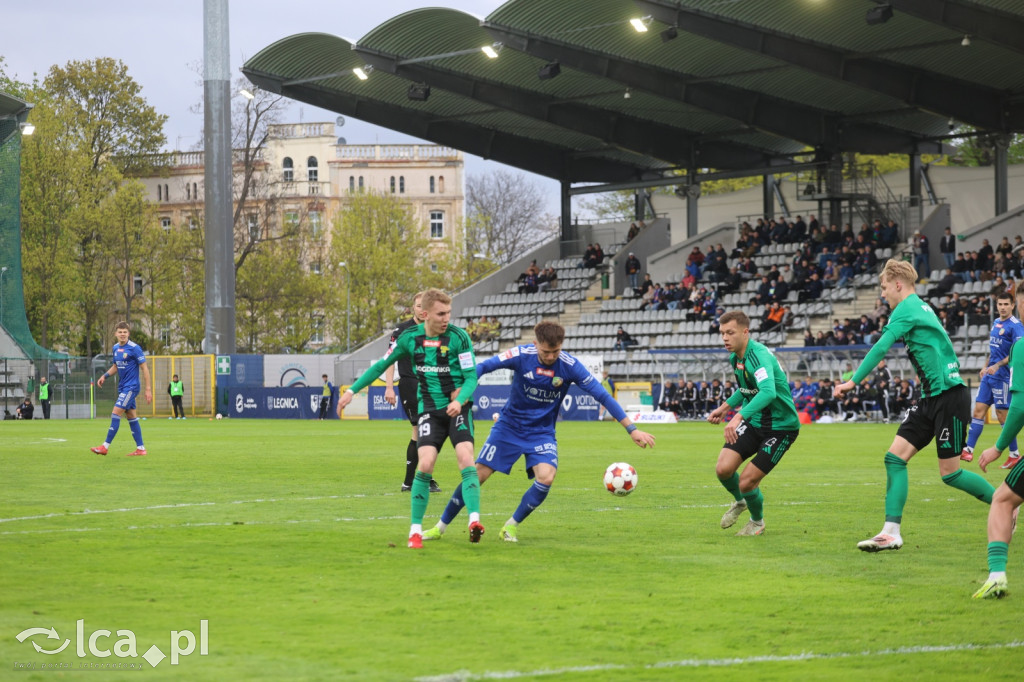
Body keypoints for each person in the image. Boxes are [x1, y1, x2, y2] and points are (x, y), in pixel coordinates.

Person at [421, 322, 655, 543]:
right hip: (508, 427)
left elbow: (602, 395)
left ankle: (510, 526)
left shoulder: (570, 365)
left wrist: (631, 429)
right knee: (478, 475)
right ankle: (440, 527)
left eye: (555, 351)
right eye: (546, 352)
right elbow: (483, 366)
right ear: (535, 344)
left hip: (541, 433)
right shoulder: (521, 355)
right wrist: (463, 390)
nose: (551, 357)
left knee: (546, 476)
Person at [833, 260, 994, 552]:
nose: (883, 294)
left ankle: (1004, 503)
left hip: (949, 397)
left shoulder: (905, 309)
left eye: (884, 287)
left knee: (951, 474)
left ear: (898, 284)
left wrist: (852, 381)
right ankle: (891, 533)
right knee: (894, 458)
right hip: (931, 397)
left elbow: (881, 347)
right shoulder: (921, 307)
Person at [338, 289, 478, 549]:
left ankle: (474, 521)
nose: (446, 318)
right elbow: (380, 366)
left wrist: (459, 400)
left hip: (457, 408)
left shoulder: (459, 337)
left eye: (448, 313)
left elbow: (471, 377)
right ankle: (415, 531)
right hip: (429, 409)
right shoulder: (409, 338)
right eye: (441, 314)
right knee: (425, 464)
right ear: (425, 314)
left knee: (466, 457)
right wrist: (351, 391)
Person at [707, 310, 801, 536]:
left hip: (781, 428)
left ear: (745, 332)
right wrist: (724, 408)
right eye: (722, 333)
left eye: (730, 333)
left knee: (747, 482)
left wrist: (738, 416)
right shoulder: (735, 358)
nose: (725, 338)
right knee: (723, 469)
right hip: (755, 422)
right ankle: (740, 502)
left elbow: (768, 392)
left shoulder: (758, 356)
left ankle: (757, 522)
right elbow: (747, 388)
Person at [972, 287, 1024, 598]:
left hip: (1001, 380)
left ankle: (996, 577)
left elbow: (1018, 408)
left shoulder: (1020, 344)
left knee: (1002, 501)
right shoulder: (1001, 328)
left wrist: (998, 447)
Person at [383, 292, 442, 494]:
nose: (422, 309)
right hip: (410, 385)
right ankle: (415, 480)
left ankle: (416, 480)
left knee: (428, 432)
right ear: (413, 308)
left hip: (430, 385)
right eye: (418, 306)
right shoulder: (401, 331)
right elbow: (389, 359)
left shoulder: (434, 329)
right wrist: (389, 387)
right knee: (420, 430)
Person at [961, 291, 1024, 468]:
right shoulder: (996, 323)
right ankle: (968, 450)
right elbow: (993, 350)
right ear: (996, 306)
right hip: (989, 376)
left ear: (1012, 305)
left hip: (1003, 376)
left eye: (1006, 304)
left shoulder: (1016, 326)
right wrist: (985, 366)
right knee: (978, 411)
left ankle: (1014, 454)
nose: (1003, 307)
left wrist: (997, 366)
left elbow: (1016, 353)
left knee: (1003, 415)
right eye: (1000, 304)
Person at [91, 321, 152, 457]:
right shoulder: (115, 348)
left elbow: (144, 368)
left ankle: (105, 446)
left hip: (132, 387)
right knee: (131, 416)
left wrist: (148, 389)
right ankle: (141, 449)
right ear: (116, 334)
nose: (122, 334)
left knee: (116, 412)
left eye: (125, 332)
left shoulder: (135, 348)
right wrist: (105, 376)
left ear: (128, 333)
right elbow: (116, 366)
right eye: (120, 332)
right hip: (123, 387)